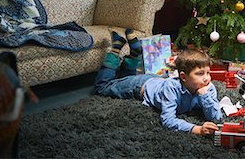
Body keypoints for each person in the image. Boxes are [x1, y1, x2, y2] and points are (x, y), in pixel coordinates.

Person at [94, 29, 222, 136]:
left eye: (208, 73)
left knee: (124, 78)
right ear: (183, 77)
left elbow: (216, 117)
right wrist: (197, 129)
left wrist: (205, 96)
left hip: (157, 80)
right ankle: (115, 50)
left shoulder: (206, 87)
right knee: (103, 88)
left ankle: (134, 53)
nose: (206, 78)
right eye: (200, 74)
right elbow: (168, 120)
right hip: (140, 86)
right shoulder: (172, 89)